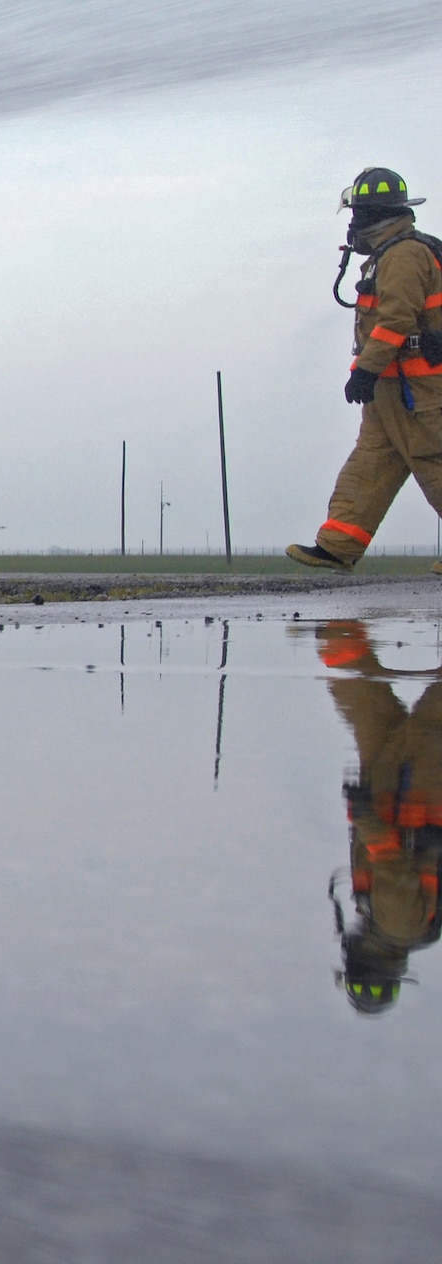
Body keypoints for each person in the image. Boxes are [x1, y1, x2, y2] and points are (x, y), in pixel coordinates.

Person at [289, 168, 442, 573]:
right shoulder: (388, 255)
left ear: (373, 213)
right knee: (370, 465)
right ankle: (338, 545)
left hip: (420, 389)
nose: (353, 223)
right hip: (393, 390)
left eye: (357, 213)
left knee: (435, 459)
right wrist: (373, 375)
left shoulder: (405, 255)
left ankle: (339, 545)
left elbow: (395, 321)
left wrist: (364, 370)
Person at [315, 622, 442, 1014]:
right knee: (432, 722)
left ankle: (341, 623)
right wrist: (366, 817)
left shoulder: (378, 919)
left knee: (359, 693)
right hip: (419, 789)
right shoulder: (399, 925)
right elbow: (389, 860)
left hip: (388, 784)